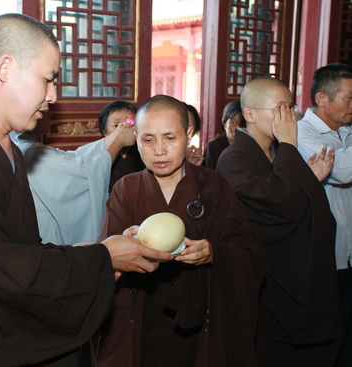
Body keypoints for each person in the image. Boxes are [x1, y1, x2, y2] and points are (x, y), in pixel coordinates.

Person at [0, 13, 173, 366]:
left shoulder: (8, 149)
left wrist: (94, 252)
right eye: (48, 79)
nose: (53, 96)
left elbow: (18, 249)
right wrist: (102, 259)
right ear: (5, 68)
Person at [94, 95, 265, 367]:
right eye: (148, 140)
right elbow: (104, 262)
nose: (159, 150)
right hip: (140, 314)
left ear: (188, 134)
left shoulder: (213, 186)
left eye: (170, 138)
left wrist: (213, 252)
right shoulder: (126, 189)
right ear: (135, 137)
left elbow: (247, 253)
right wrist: (121, 249)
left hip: (200, 320)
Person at [216, 76, 341, 367]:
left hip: (295, 277)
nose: (290, 116)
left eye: (291, 107)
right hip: (268, 280)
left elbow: (291, 197)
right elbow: (280, 203)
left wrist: (307, 178)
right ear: (250, 114)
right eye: (280, 108)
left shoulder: (274, 152)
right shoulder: (233, 157)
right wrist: (289, 144)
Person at [296, 63, 352, 367]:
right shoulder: (301, 134)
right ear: (322, 98)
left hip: (349, 250)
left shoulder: (347, 131)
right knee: (326, 334)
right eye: (349, 97)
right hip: (327, 253)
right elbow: (340, 170)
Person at [11, 115, 135, 244]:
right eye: (43, 110)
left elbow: (73, 156)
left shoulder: (22, 142)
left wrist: (113, 139)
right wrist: (118, 141)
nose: (50, 115)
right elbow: (80, 173)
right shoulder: (28, 149)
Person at [97, 100, 145, 192]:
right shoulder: (98, 156)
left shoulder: (144, 151)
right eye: (116, 125)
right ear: (104, 132)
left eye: (130, 123)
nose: (124, 128)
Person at [204, 99, 245, 170]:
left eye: (242, 123)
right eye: (232, 122)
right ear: (224, 125)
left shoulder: (251, 146)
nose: (238, 128)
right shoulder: (213, 147)